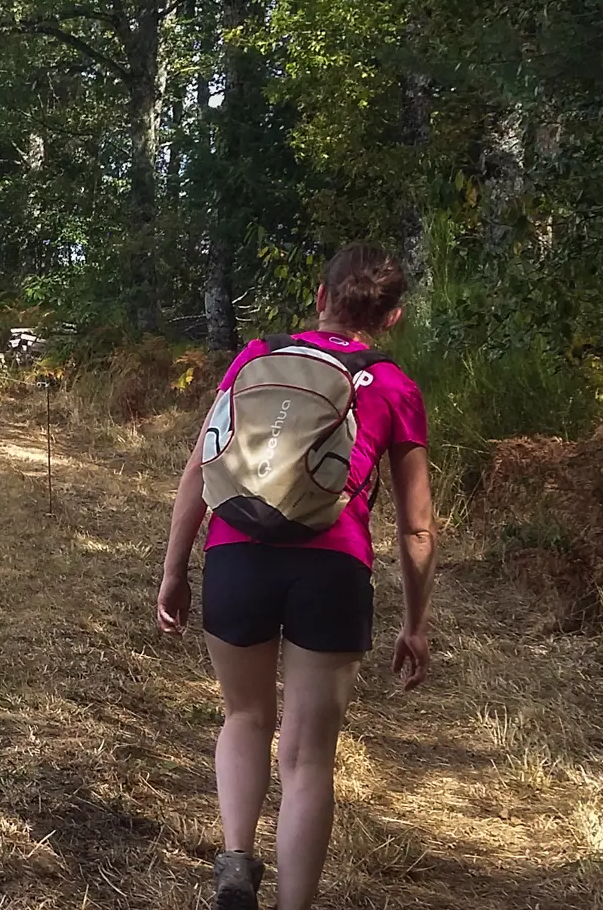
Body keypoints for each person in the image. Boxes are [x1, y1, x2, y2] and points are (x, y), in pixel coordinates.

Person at [156, 243, 438, 910]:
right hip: (333, 570)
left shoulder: (257, 357)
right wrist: (417, 624)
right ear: (393, 318)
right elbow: (418, 526)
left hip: (237, 555)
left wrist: (174, 570)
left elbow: (201, 468)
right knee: (309, 756)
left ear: (320, 297)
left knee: (245, 715)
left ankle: (234, 862)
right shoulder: (395, 386)